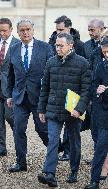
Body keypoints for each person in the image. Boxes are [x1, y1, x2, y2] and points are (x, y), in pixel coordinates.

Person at [37, 33, 91, 187]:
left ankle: (74, 170)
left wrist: (79, 109)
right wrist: (41, 109)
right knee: (53, 140)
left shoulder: (83, 63)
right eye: (56, 45)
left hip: (73, 111)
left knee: (74, 141)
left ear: (71, 45)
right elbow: (45, 88)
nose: (58, 48)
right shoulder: (51, 62)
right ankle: (49, 174)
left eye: (61, 45)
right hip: (54, 108)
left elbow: (86, 90)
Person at [6, 19, 52, 173]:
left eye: (28, 29)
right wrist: (9, 95)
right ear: (17, 32)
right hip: (19, 97)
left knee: (42, 129)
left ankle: (57, 149)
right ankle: (21, 162)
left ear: (33, 30)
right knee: (18, 129)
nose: (25, 32)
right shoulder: (13, 49)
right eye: (22, 30)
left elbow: (51, 73)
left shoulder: (45, 48)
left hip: (39, 97)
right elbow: (10, 74)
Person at [48, 15, 85, 161]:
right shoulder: (52, 42)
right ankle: (59, 149)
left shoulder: (80, 45)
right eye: (56, 29)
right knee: (54, 127)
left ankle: (69, 152)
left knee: (71, 127)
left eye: (61, 29)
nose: (58, 32)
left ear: (69, 28)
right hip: (57, 88)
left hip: (74, 90)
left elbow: (84, 67)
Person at [0, 18, 19, 158]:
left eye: (5, 30)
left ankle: (20, 144)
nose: (2, 33)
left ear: (11, 29)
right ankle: (1, 148)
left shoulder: (18, 44)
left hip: (11, 89)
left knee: (10, 117)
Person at [84, 37, 108, 189]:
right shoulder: (100, 66)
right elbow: (92, 87)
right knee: (100, 148)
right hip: (104, 114)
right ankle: (94, 181)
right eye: (104, 52)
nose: (106, 55)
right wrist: (97, 91)